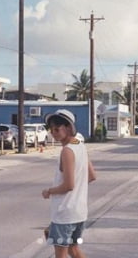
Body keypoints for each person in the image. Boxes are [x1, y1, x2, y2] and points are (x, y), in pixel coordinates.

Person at [42, 109, 96, 258]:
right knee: (74, 250)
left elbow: (68, 185)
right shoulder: (79, 144)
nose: (53, 132)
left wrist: (49, 191)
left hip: (64, 214)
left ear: (68, 127)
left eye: (57, 129)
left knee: (61, 254)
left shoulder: (67, 151)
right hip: (79, 213)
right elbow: (91, 175)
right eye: (51, 129)